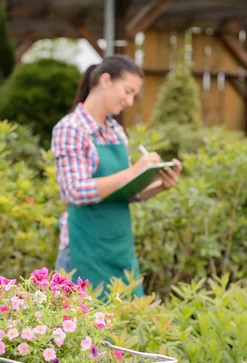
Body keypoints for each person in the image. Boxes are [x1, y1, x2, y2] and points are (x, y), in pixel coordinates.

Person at [51, 55, 182, 297]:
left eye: (134, 95)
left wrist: (160, 185)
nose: (130, 101)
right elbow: (75, 190)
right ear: (106, 81)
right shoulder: (70, 129)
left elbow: (126, 192)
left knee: (128, 328)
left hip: (118, 248)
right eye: (128, 91)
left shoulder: (116, 132)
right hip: (83, 249)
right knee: (83, 329)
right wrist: (134, 170)